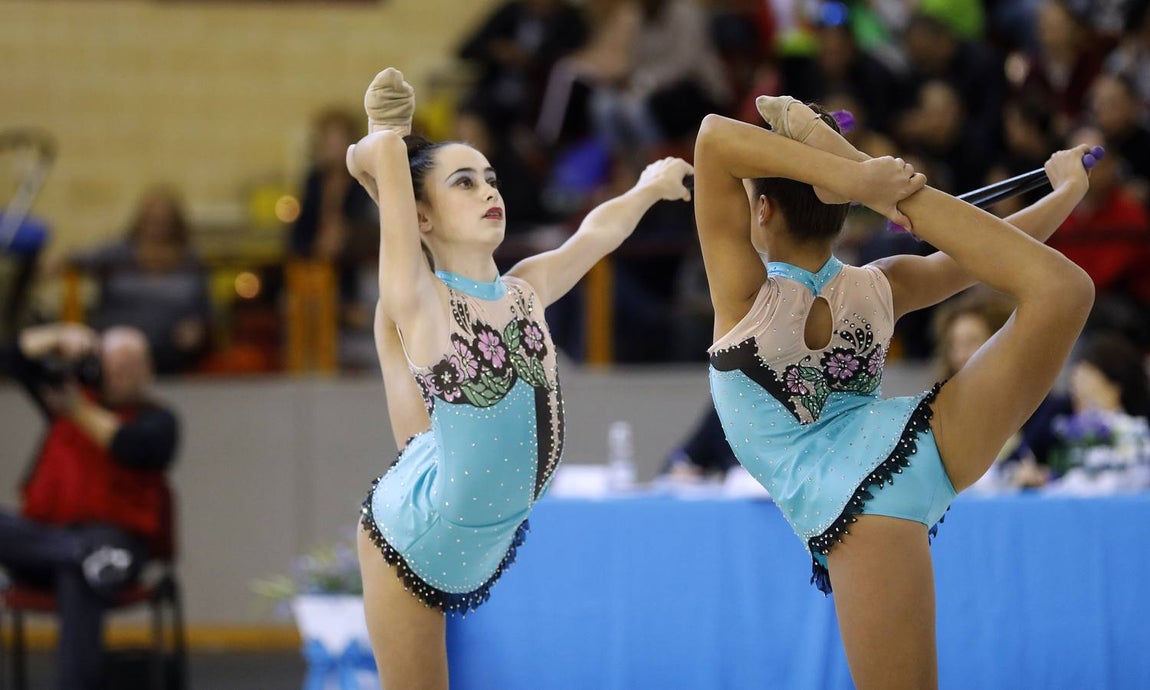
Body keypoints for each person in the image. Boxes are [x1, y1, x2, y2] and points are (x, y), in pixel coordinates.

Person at [693, 96, 1093, 688]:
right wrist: (1066, 194)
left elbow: (712, 138)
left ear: (763, 210)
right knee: (1064, 291)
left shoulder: (745, 297)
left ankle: (858, 165)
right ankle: (861, 166)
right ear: (840, 211)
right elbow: (989, 252)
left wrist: (858, 178)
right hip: (923, 446)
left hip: (856, 497)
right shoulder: (884, 283)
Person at [344, 68, 692, 689]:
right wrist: (387, 140)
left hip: (468, 521)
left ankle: (391, 157)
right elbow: (393, 209)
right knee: (397, 328)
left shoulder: (526, 290)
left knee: (421, 423)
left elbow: (597, 233)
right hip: (412, 537)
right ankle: (385, 145)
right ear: (423, 217)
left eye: (490, 178)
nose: (487, 190)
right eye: (464, 182)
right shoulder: (422, 297)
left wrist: (646, 187)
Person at [0, 323, 178, 690]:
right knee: (86, 563)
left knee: (80, 577)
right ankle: (81, 553)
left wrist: (76, 409)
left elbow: (129, 444)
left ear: (147, 370)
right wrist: (59, 335)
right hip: (51, 542)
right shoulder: (67, 398)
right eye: (111, 366)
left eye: (128, 367)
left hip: (118, 542)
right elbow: (14, 356)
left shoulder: (159, 421)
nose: (118, 375)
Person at [65, 187, 212, 375]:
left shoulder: (191, 260)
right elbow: (75, 261)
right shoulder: (117, 253)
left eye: (164, 221)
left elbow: (204, 307)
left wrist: (197, 326)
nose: (157, 227)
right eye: (152, 220)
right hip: (118, 344)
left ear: (176, 224)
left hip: (172, 350)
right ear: (140, 221)